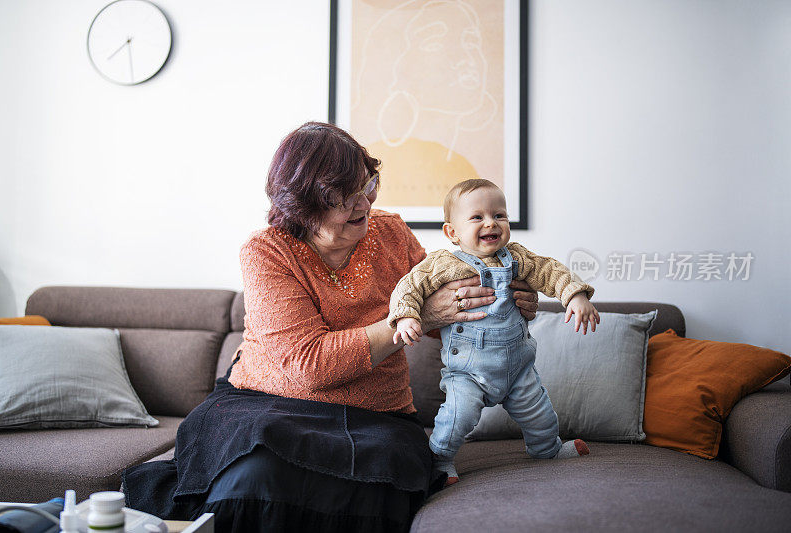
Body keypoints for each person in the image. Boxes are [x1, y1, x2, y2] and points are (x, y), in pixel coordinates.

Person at [121, 123, 539, 532]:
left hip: (378, 413)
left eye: (368, 185)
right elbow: (309, 364)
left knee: (374, 487)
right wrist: (422, 316)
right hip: (266, 403)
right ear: (304, 205)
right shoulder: (268, 251)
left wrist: (505, 300)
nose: (364, 204)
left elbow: (446, 304)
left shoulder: (391, 233)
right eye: (345, 196)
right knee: (255, 480)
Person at [389, 178, 601, 485]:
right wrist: (406, 317)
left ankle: (548, 450)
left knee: (542, 417)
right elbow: (409, 287)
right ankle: (440, 461)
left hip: (518, 369)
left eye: (499, 215)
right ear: (452, 232)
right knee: (456, 420)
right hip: (467, 373)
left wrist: (575, 295)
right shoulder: (443, 263)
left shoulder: (516, 257)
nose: (491, 222)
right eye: (477, 217)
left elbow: (549, 270)